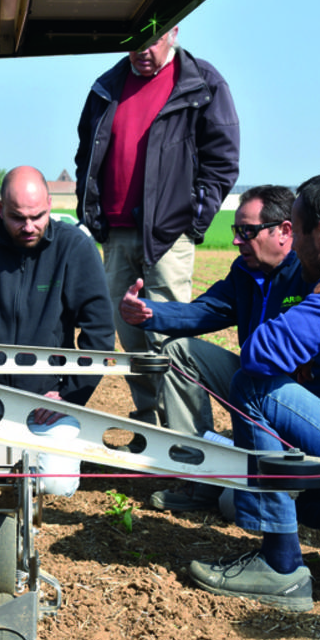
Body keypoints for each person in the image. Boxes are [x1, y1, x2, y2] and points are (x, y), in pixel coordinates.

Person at [189, 170, 320, 613]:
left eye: (296, 233)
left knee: (255, 387)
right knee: (300, 495)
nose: (292, 248)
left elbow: (262, 353)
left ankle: (279, 566)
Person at [118, 185, 320, 513]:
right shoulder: (245, 273)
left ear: (284, 231)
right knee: (179, 351)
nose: (236, 240)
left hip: (299, 399)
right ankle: (199, 477)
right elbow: (204, 311)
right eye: (236, 231)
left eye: (246, 231)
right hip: (251, 382)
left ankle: (292, 481)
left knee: (241, 502)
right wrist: (150, 313)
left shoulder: (309, 271)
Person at [74, 27, 240, 425]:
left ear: (174, 32)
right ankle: (151, 427)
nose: (143, 49)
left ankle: (188, 438)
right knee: (130, 337)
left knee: (169, 337)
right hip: (116, 234)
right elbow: (85, 153)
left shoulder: (202, 82)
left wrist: (193, 218)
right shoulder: (107, 85)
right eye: (133, 39)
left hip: (169, 234)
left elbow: (222, 160)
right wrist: (92, 213)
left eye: (153, 39)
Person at [0, 165, 116, 496]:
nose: (28, 226)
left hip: (47, 407)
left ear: (50, 206)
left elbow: (98, 334)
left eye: (37, 216)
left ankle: (23, 460)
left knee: (55, 486)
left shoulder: (75, 249)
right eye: (16, 217)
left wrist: (69, 396)